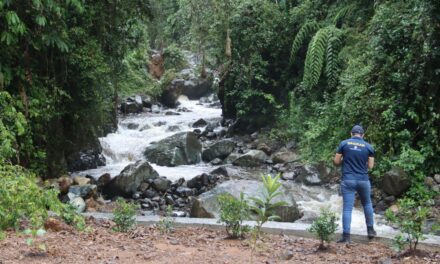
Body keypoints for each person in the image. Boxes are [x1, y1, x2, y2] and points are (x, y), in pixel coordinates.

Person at [333, 125, 376, 243]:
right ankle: (370, 230)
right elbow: (370, 166)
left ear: (351, 134)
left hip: (348, 180)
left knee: (347, 209)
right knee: (367, 204)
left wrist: (344, 160)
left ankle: (346, 237)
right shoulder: (369, 147)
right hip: (363, 180)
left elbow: (336, 162)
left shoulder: (344, 144)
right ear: (363, 135)